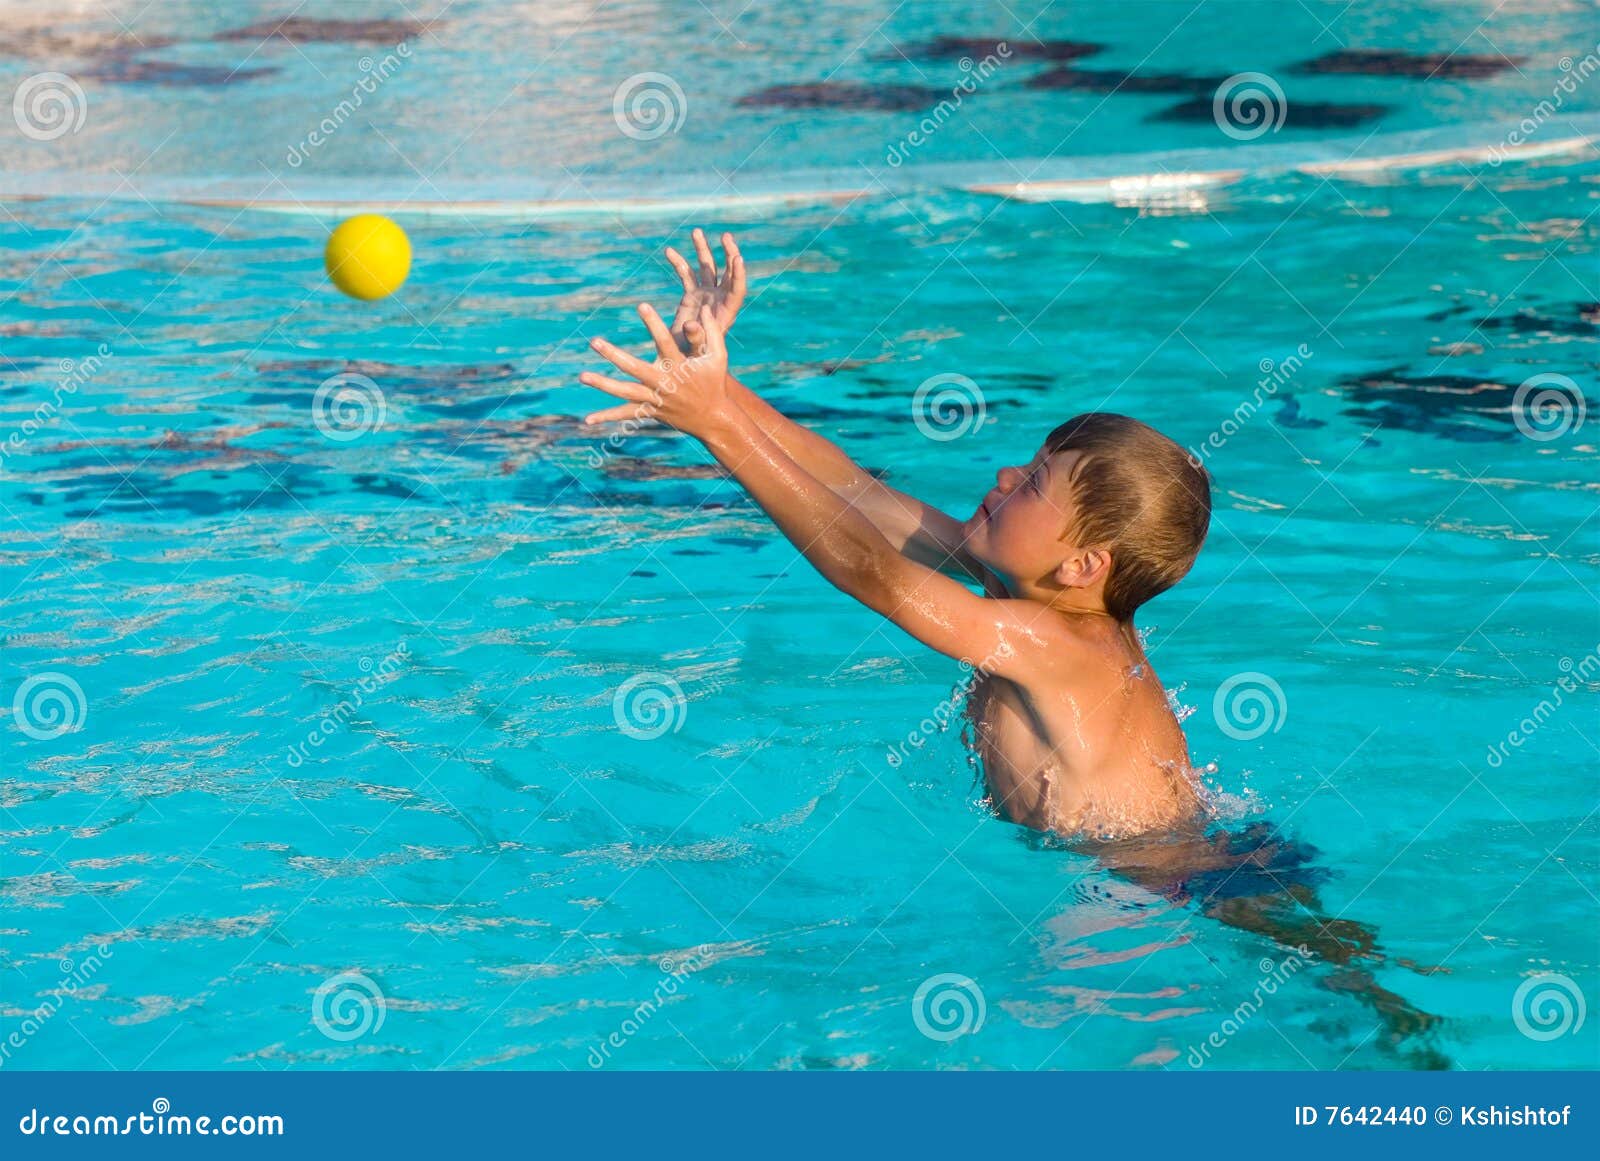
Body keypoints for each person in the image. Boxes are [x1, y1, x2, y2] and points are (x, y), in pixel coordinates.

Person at [579, 229, 1211, 840]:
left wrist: (717, 426)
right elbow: (855, 492)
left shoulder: (1059, 643)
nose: (1006, 474)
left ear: (1082, 565)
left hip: (1140, 883)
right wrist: (709, 385)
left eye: (1034, 483)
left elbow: (871, 571)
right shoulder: (1022, 588)